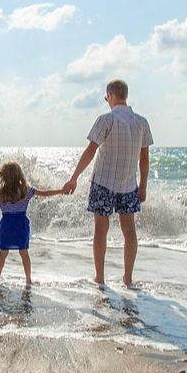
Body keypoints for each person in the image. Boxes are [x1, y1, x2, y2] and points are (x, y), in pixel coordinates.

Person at [61, 79, 153, 288]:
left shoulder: (106, 120)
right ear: (125, 96)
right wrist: (144, 185)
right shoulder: (141, 122)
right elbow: (144, 158)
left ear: (110, 96)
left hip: (103, 182)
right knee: (129, 231)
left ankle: (100, 278)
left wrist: (74, 177)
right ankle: (127, 279)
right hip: (129, 185)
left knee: (100, 231)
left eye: (106, 98)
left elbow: (91, 151)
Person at [0, 161, 66, 286]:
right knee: (24, 253)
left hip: (6, 225)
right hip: (21, 225)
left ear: (4, 176)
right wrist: (61, 191)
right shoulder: (26, 190)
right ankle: (28, 280)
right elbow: (45, 193)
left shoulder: (1, 192)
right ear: (19, 175)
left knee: (3, 253)